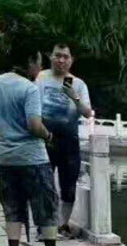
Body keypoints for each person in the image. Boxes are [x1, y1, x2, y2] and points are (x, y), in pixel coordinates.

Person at [0, 41, 69, 246]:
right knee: (47, 204)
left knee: (12, 206)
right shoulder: (28, 88)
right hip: (32, 158)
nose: (39, 69)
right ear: (30, 61)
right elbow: (34, 125)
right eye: (39, 64)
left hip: (6, 159)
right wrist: (49, 136)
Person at [37, 43, 92, 236]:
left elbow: (87, 113)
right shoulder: (41, 78)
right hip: (44, 138)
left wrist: (74, 97)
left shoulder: (78, 84)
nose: (61, 60)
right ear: (50, 57)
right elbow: (32, 107)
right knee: (43, 185)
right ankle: (44, 224)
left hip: (69, 141)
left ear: (71, 60)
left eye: (65, 57)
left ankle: (62, 225)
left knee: (69, 186)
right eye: (57, 55)